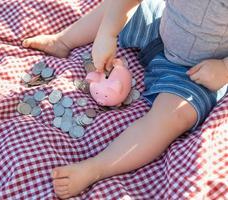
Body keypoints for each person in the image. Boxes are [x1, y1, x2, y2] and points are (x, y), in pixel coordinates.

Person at [22, 0, 228, 199]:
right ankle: (63, 40)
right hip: (160, 28)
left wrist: (224, 69)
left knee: (176, 115)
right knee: (114, 9)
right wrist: (107, 34)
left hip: (199, 70)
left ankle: (96, 168)